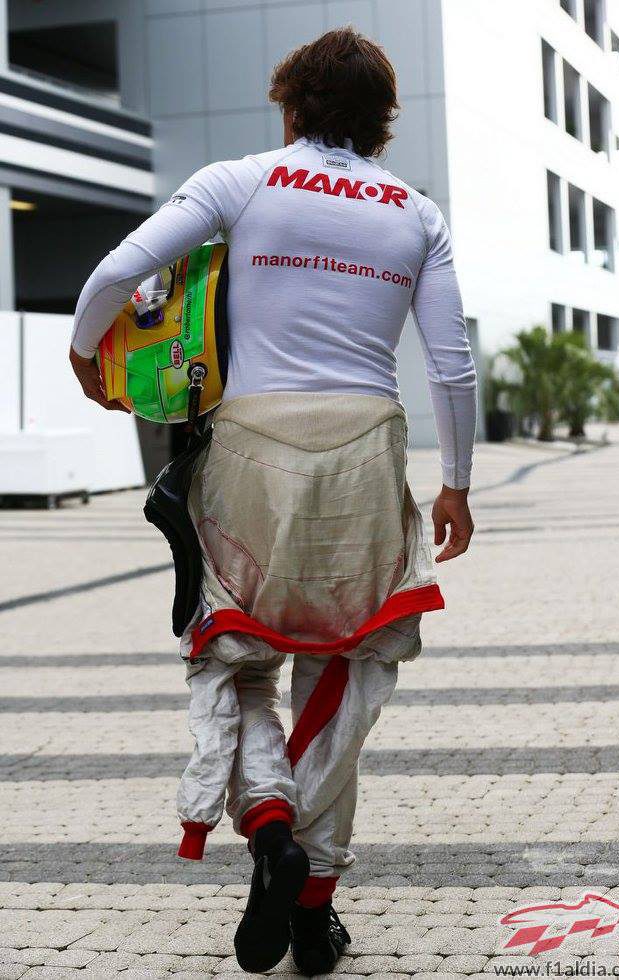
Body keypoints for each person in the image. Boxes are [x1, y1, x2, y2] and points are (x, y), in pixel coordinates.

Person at [70, 27, 476, 977]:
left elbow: (114, 276)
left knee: (237, 655)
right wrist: (456, 481)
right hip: (366, 453)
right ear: (381, 124)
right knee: (346, 671)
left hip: (248, 447)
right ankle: (313, 902)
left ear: (290, 106)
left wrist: (90, 354)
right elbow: (450, 363)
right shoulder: (416, 214)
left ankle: (268, 830)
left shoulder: (239, 180)